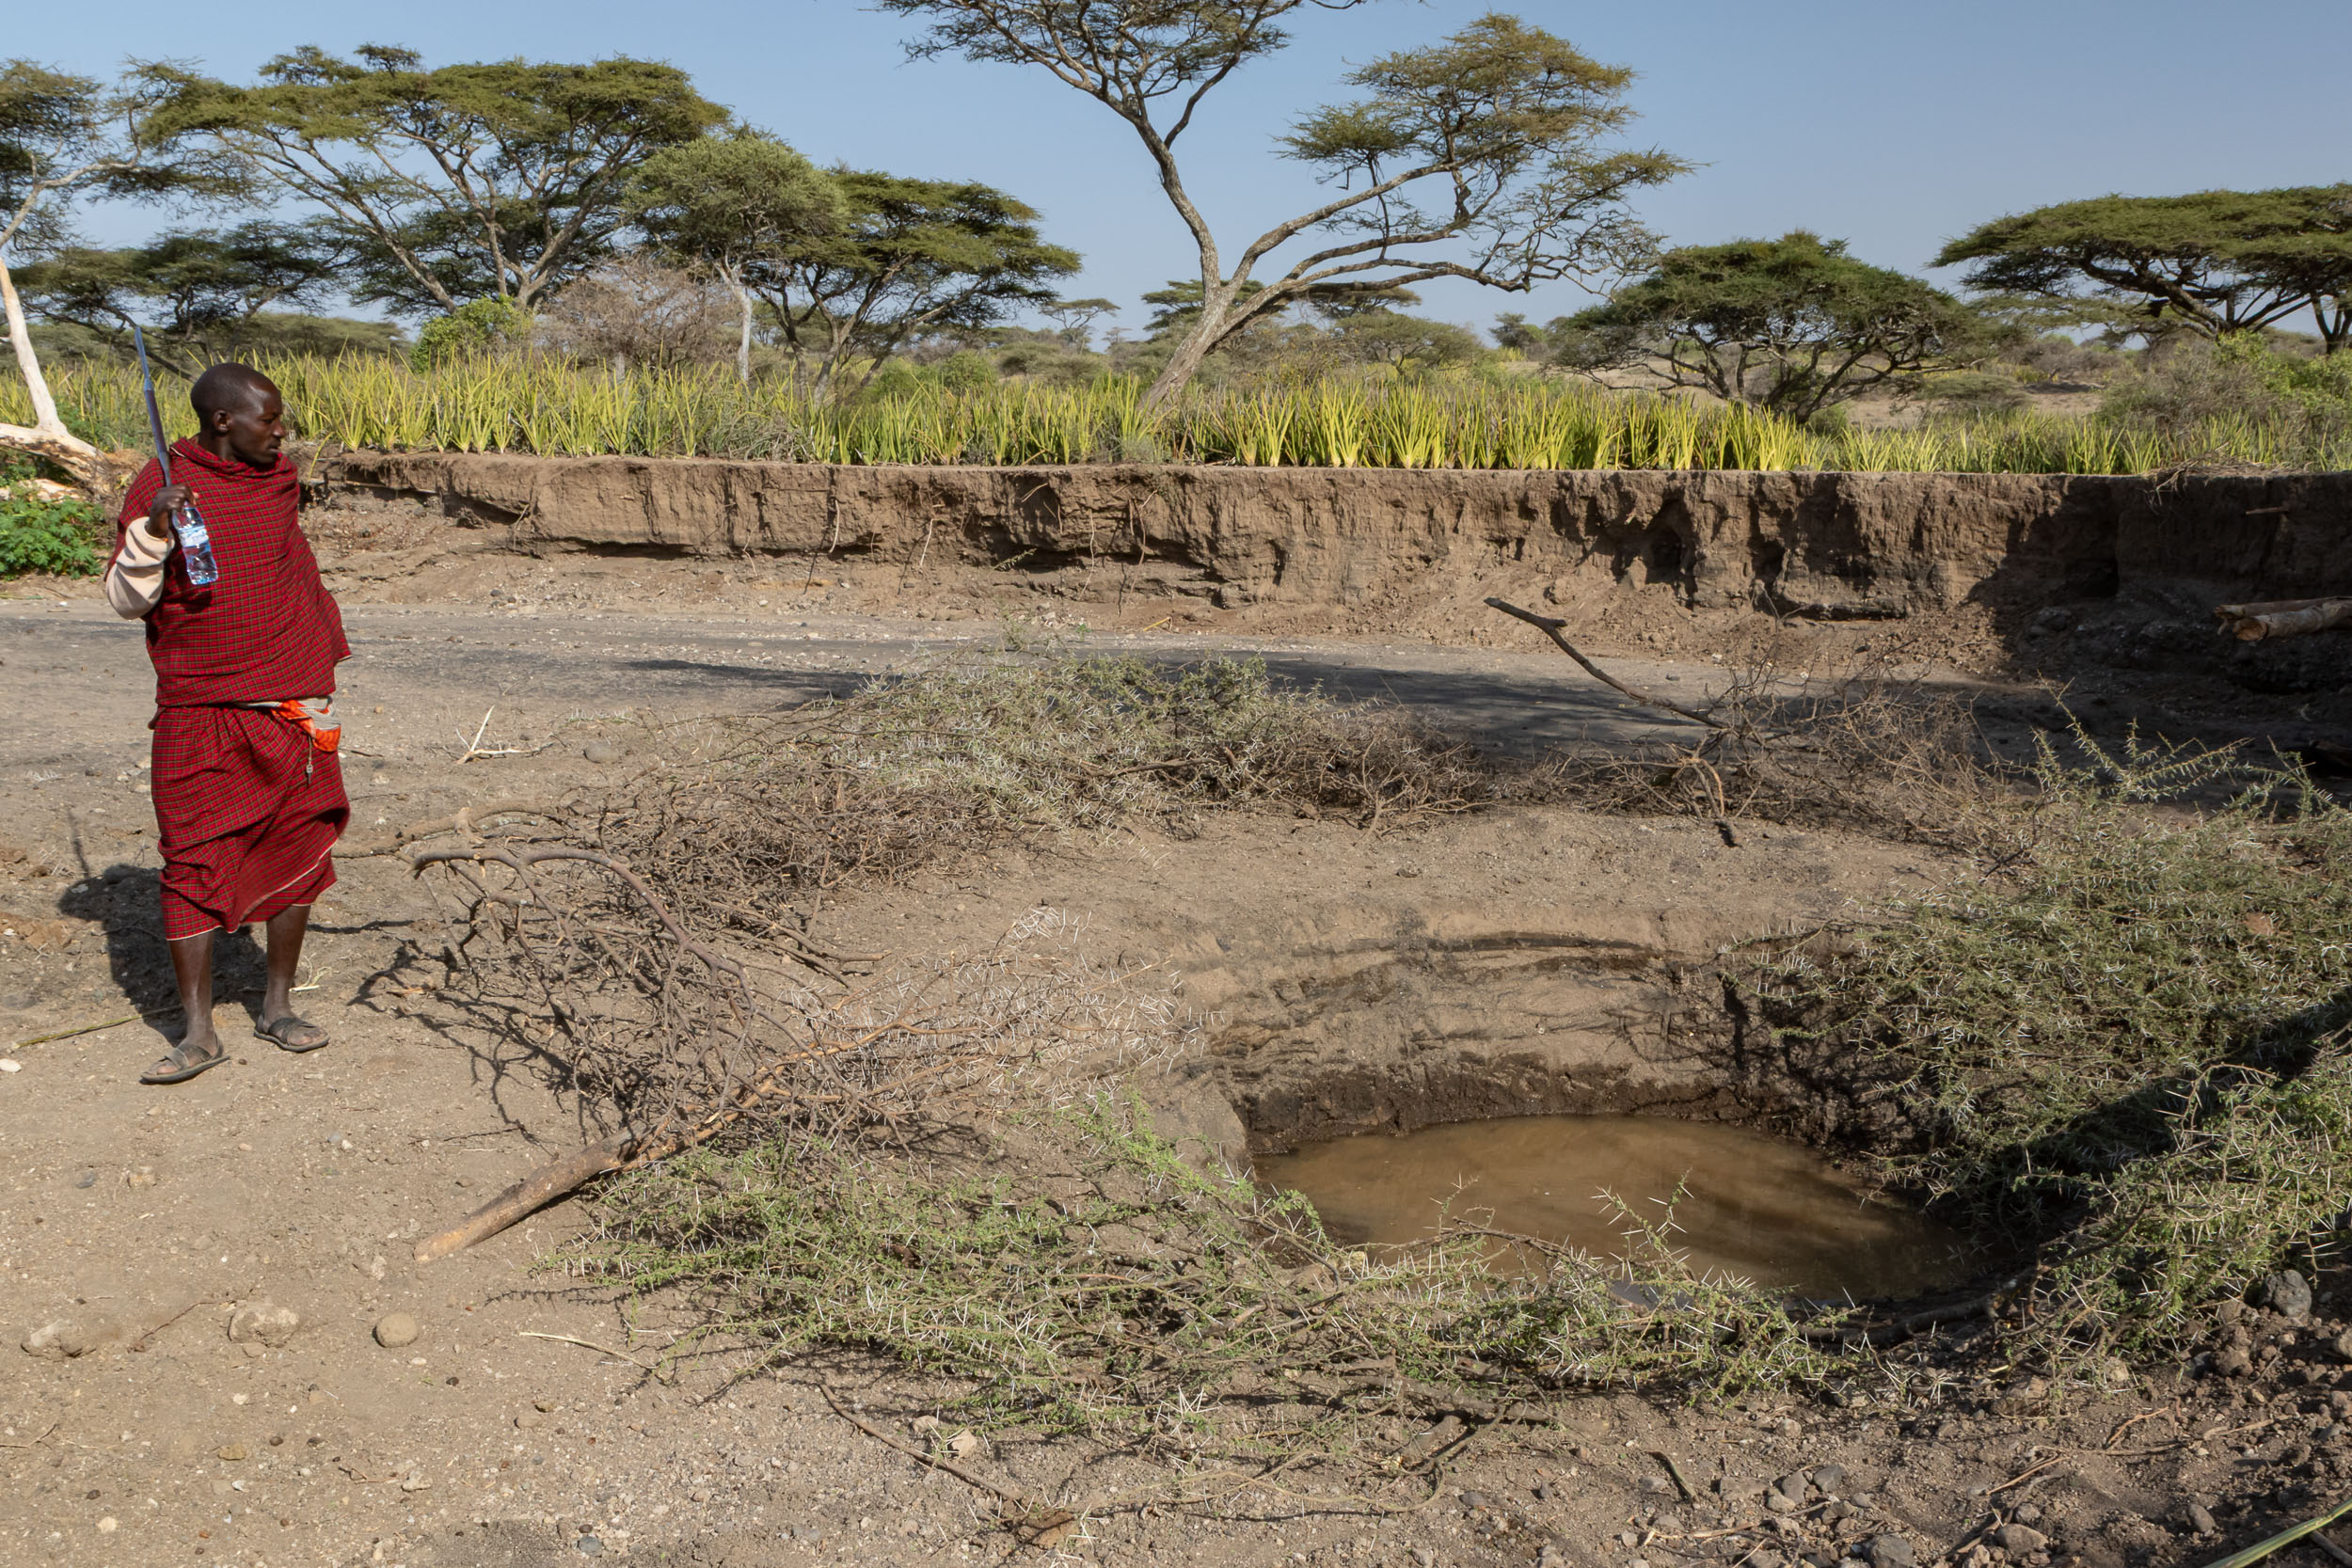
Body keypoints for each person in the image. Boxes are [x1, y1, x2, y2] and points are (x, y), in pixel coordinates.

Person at [104, 363, 351, 1085]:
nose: (281, 432)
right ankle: (199, 1031)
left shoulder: (276, 483)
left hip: (292, 697)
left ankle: (277, 1005)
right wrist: (154, 529)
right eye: (269, 420)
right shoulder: (161, 485)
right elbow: (125, 598)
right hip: (201, 706)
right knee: (192, 858)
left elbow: (284, 571)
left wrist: (310, 664)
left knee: (299, 839)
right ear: (223, 422)